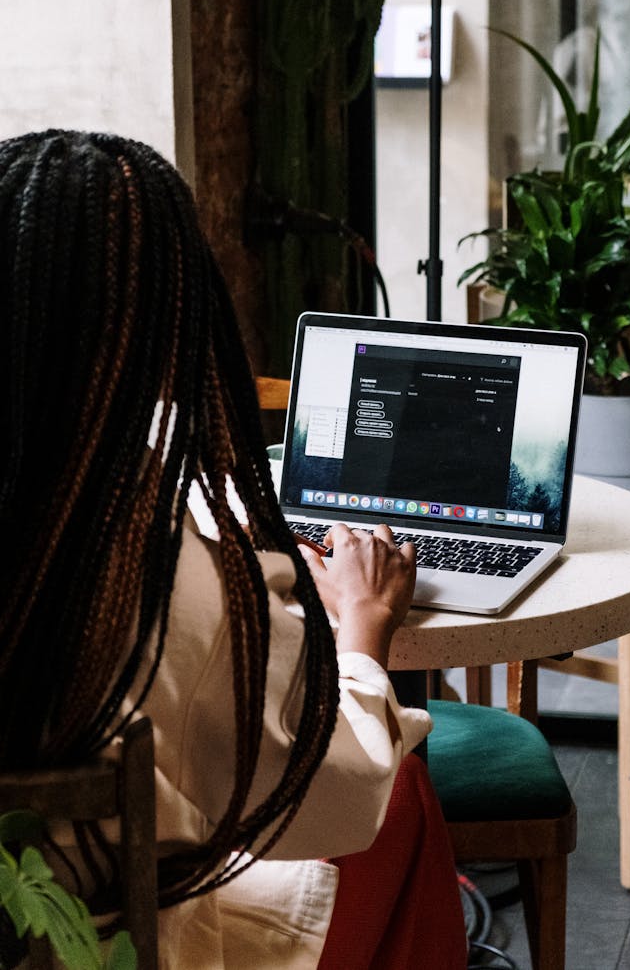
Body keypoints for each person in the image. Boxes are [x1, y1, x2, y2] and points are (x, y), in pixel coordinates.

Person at [0, 130, 467, 968]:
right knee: (399, 791)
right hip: (113, 949)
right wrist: (362, 634)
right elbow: (342, 799)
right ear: (165, 330)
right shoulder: (168, 581)